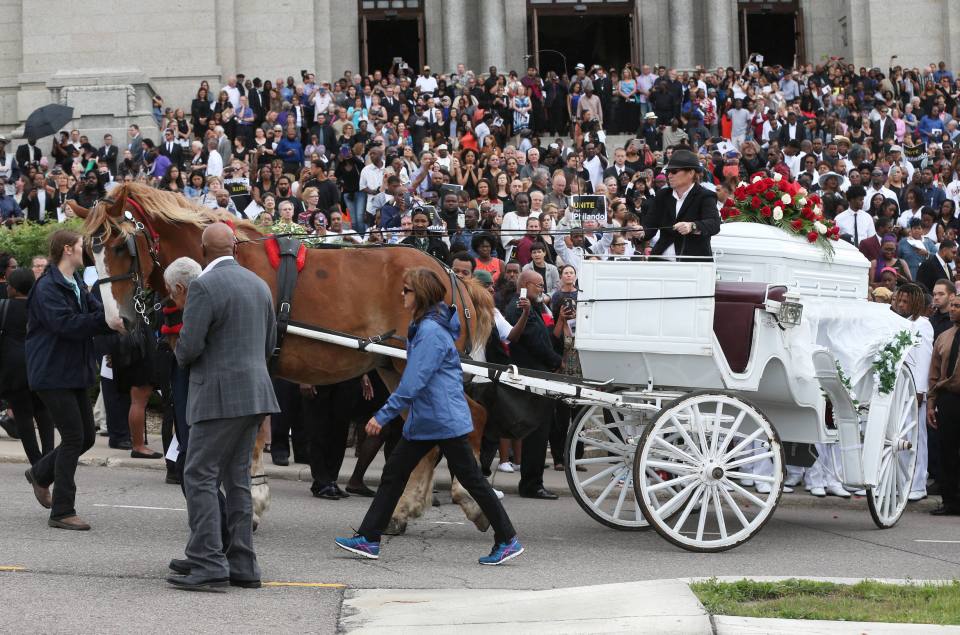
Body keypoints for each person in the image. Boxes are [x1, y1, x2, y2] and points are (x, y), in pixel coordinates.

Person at [335, 268, 523, 566]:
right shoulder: (427, 326)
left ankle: (507, 539)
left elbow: (413, 380)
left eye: (407, 290)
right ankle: (369, 538)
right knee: (395, 475)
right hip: (430, 419)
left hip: (441, 420)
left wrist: (383, 415)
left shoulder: (430, 332)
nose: (402, 294)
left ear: (420, 294)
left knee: (472, 480)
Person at [168, 223, 279, 592]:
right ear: (234, 246)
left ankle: (208, 561)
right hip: (254, 393)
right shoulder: (259, 284)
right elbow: (269, 344)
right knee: (238, 481)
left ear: (203, 250)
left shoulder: (202, 286)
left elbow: (189, 348)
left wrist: (179, 348)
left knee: (197, 476)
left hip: (216, 396)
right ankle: (241, 562)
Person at [24, 230, 118, 530]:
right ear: (67, 250)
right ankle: (62, 510)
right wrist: (104, 322)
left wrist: (116, 320)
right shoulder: (47, 287)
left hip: (74, 371)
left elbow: (94, 311)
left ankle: (40, 472)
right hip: (52, 373)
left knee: (87, 436)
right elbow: (64, 324)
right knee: (75, 437)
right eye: (80, 246)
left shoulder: (75, 282)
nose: (84, 251)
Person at [504, 270, 563, 500]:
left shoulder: (531, 307)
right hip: (532, 376)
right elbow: (534, 342)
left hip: (539, 375)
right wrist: (555, 361)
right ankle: (531, 484)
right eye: (539, 285)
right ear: (526, 285)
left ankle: (533, 482)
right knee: (537, 434)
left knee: (540, 433)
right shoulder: (520, 307)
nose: (542, 289)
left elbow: (543, 338)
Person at [0, 268, 54, 464]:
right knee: (44, 412)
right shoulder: (42, 306)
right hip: (41, 365)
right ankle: (48, 456)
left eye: (8, 285)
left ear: (13, 289)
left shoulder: (4, 306)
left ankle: (36, 462)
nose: (6, 287)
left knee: (23, 417)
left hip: (14, 370)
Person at [891, 284, 934, 501]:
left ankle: (917, 484)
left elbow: (924, 359)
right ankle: (902, 482)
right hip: (899, 389)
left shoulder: (923, 325)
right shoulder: (899, 322)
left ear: (915, 303)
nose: (899, 304)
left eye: (904, 301)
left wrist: (919, 391)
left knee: (916, 439)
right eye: (898, 300)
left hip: (914, 391)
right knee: (899, 439)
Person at [640, 149, 720, 260]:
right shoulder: (663, 195)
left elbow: (714, 224)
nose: (669, 175)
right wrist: (640, 232)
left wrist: (692, 226)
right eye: (668, 172)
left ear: (691, 173)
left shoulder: (705, 196)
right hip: (661, 259)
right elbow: (650, 225)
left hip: (693, 263)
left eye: (674, 171)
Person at [927, 294, 960, 516]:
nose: (952, 309)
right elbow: (934, 373)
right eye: (953, 305)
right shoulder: (944, 337)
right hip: (949, 399)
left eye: (957, 306)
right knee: (948, 450)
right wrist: (931, 404)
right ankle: (950, 501)